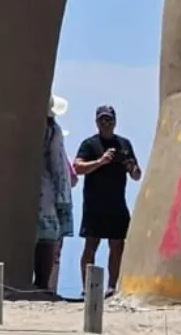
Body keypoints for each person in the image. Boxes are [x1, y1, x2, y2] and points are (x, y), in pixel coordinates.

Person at [74, 105, 141, 299]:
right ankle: (87, 289)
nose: (106, 123)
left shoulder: (124, 144)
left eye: (109, 119)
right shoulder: (89, 144)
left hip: (117, 202)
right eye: (102, 119)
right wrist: (100, 161)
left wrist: (131, 167)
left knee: (117, 244)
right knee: (91, 244)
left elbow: (137, 175)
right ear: (96, 122)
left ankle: (112, 287)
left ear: (115, 121)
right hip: (94, 203)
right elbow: (77, 167)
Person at [34, 95, 76, 295]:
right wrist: (63, 197)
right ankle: (42, 283)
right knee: (47, 236)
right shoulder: (52, 131)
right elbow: (58, 164)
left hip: (34, 183)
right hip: (45, 187)